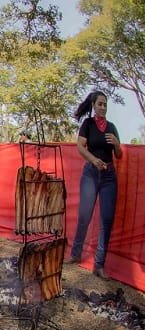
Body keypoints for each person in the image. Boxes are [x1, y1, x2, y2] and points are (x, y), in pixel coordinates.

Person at [68, 90, 123, 279]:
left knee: (106, 220)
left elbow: (119, 155)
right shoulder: (88, 124)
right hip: (91, 174)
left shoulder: (112, 127)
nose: (102, 107)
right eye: (100, 104)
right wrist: (94, 160)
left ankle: (99, 265)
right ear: (94, 106)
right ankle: (75, 254)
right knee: (84, 216)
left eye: (105, 104)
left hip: (109, 177)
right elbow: (80, 146)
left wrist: (117, 144)